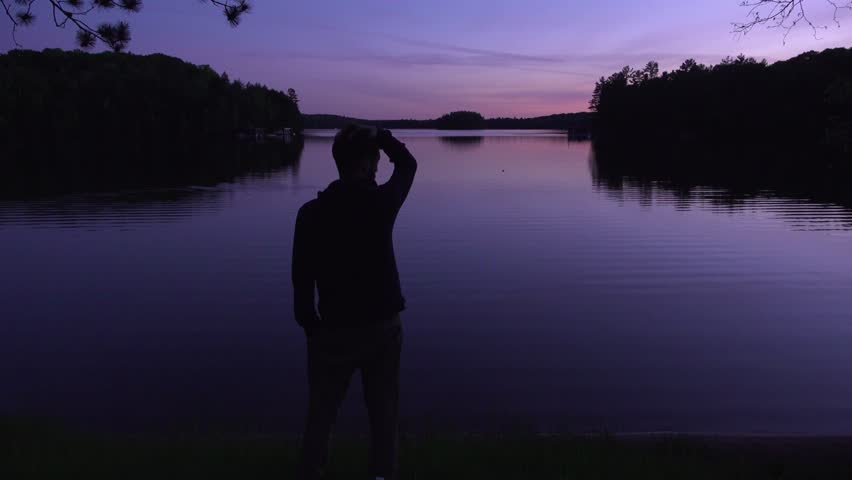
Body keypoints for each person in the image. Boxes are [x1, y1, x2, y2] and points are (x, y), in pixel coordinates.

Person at [292, 124, 417, 480]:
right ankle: (381, 476)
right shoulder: (380, 203)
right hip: (382, 329)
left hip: (332, 329)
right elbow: (407, 166)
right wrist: (385, 138)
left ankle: (311, 473)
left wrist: (312, 327)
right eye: (375, 160)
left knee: (321, 414)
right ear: (364, 163)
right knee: (384, 414)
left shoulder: (311, 214)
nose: (378, 166)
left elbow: (301, 285)